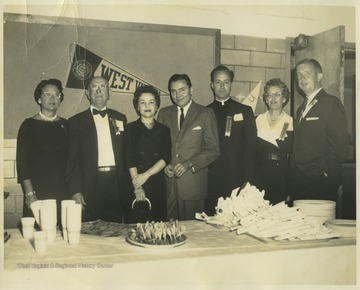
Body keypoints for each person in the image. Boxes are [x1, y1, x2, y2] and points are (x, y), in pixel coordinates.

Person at [157, 74, 220, 220]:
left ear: (191, 90)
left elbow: (213, 150)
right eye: (173, 91)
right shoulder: (164, 114)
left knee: (192, 234)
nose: (178, 95)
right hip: (168, 185)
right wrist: (165, 165)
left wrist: (188, 164)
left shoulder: (206, 114)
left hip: (193, 184)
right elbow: (160, 149)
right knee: (168, 233)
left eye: (182, 90)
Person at [66, 76, 127, 222]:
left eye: (103, 86)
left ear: (109, 92)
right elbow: (71, 161)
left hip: (116, 183)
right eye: (94, 87)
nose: (99, 90)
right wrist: (75, 190)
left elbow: (124, 153)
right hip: (89, 183)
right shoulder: (75, 122)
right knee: (90, 229)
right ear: (87, 93)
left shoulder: (120, 118)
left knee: (115, 227)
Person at [290, 58, 349, 202]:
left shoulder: (331, 104)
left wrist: (323, 172)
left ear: (319, 76)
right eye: (299, 75)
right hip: (299, 183)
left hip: (319, 183)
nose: (302, 78)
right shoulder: (301, 109)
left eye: (307, 73)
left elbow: (341, 149)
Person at [204, 65, 257, 215]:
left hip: (237, 179)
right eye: (218, 82)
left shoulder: (245, 111)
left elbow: (251, 149)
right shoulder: (204, 112)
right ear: (212, 85)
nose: (222, 86)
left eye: (226, 82)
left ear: (231, 85)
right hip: (211, 180)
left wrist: (247, 180)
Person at [16, 78, 68, 224]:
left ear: (60, 99)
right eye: (47, 94)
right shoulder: (29, 125)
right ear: (39, 99)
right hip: (37, 190)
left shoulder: (66, 125)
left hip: (62, 191)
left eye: (57, 95)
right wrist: (30, 193)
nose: (53, 98)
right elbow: (22, 163)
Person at [124, 85, 171, 222]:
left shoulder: (164, 130)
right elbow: (129, 158)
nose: (147, 106)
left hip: (157, 184)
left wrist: (146, 175)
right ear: (137, 107)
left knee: (157, 228)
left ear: (157, 106)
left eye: (151, 102)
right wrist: (138, 187)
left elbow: (165, 157)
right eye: (142, 102)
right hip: (136, 183)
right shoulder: (129, 129)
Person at [253, 78, 293, 205]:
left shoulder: (292, 122)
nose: (273, 98)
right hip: (259, 173)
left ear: (285, 98)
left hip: (281, 176)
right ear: (265, 99)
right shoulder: (256, 120)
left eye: (277, 94)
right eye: (270, 95)